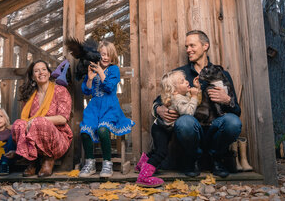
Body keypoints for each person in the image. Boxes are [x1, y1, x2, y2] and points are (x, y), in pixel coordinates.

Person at [153, 30, 242, 178]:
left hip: (215, 130)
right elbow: (159, 100)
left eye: (192, 45)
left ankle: (217, 159)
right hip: (191, 130)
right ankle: (192, 159)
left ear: (205, 46)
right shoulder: (180, 74)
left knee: (233, 122)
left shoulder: (221, 75)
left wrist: (226, 100)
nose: (188, 50)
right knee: (185, 121)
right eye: (186, 46)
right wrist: (159, 109)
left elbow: (237, 112)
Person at [79, 40, 135, 178]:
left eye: (107, 55)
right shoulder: (92, 68)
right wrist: (90, 78)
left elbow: (109, 87)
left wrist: (100, 72)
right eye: (102, 54)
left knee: (103, 129)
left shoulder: (114, 69)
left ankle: (107, 163)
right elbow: (86, 91)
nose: (104, 57)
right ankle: (90, 163)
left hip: (110, 107)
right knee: (85, 130)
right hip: (94, 107)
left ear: (112, 56)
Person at [136, 70, 200, 187]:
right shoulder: (177, 99)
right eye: (182, 81)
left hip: (162, 127)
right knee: (161, 152)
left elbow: (189, 98)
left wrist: (195, 89)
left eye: (185, 79)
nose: (187, 82)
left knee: (157, 150)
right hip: (161, 129)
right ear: (174, 90)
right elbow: (189, 112)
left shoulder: (180, 95)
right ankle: (144, 177)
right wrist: (195, 96)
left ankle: (142, 164)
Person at [12, 60, 73, 177]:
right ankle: (32, 161)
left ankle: (48, 160)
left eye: (44, 69)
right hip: (34, 136)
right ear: (33, 77)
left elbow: (63, 119)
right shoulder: (30, 96)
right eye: (36, 71)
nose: (41, 72)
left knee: (40, 121)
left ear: (49, 73)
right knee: (18, 124)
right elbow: (25, 121)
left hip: (58, 138)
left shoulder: (60, 90)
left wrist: (37, 120)